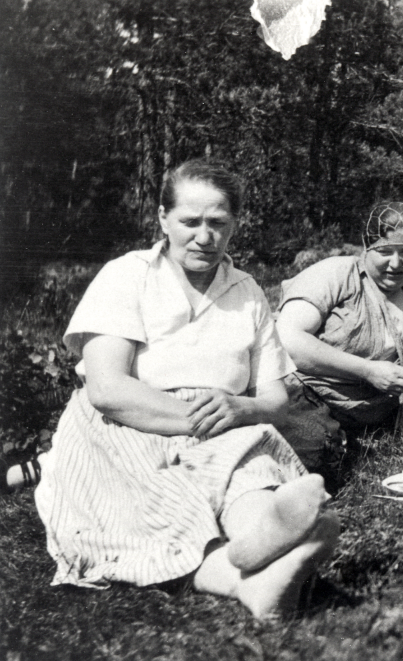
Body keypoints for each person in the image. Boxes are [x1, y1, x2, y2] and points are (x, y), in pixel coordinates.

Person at [34, 159, 338, 621]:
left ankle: (263, 536)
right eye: (190, 222)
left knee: (249, 467)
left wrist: (242, 408)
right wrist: (196, 423)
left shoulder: (247, 292)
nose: (204, 236)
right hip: (128, 423)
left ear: (235, 224)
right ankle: (252, 574)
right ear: (163, 218)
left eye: (218, 223)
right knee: (159, 496)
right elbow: (108, 388)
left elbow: (276, 400)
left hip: (225, 421)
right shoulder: (127, 274)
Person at [275, 202, 403, 471]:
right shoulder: (337, 275)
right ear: (366, 247)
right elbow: (288, 339)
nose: (396, 263)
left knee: (328, 452)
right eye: (385, 251)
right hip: (306, 395)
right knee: (313, 453)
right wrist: (367, 370)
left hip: (361, 418)